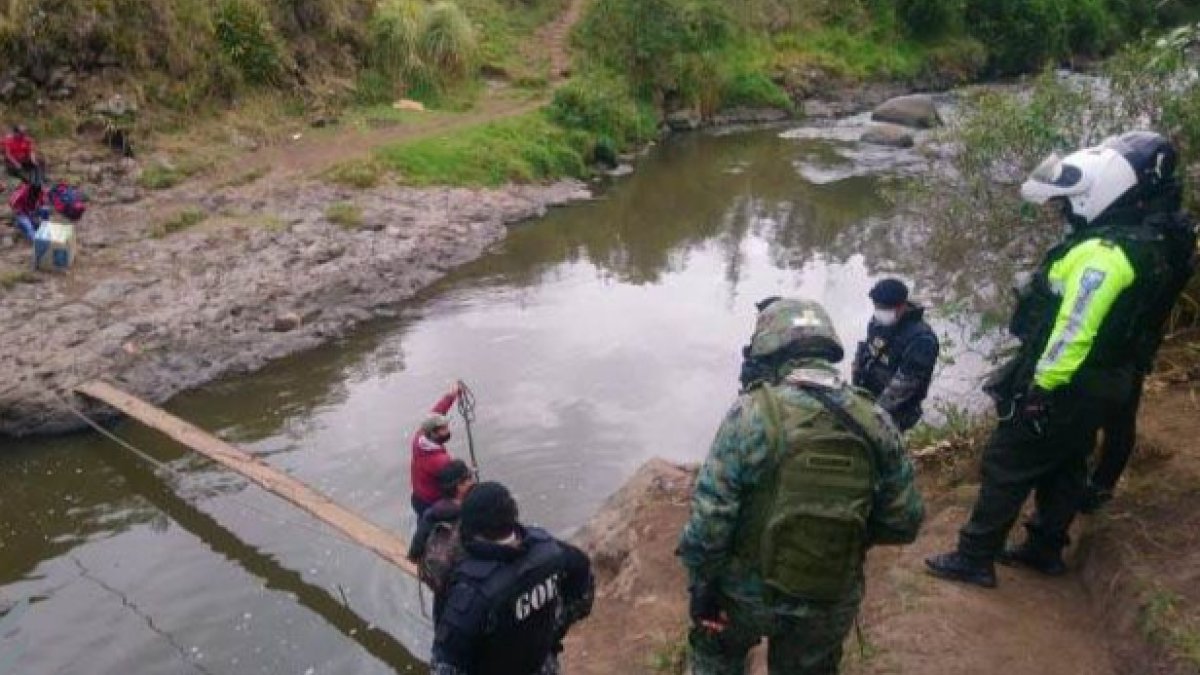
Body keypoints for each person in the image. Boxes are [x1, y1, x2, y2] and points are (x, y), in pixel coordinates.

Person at [926, 131, 1197, 588]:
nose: (1064, 211)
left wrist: (1041, 387)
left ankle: (974, 556)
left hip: (1073, 378)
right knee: (1068, 458)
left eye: (1069, 203)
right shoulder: (1159, 238)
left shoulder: (1103, 254)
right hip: (1114, 376)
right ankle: (1044, 548)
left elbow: (1075, 328)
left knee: (1007, 460)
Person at [680, 298, 924, 675]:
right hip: (828, 594)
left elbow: (708, 526)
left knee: (715, 656)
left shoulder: (750, 415)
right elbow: (904, 522)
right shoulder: (875, 419)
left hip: (744, 595)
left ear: (768, 350)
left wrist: (703, 587)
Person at [431, 482, 594, 675]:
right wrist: (553, 631)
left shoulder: (472, 593)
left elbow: (445, 664)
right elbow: (583, 589)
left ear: (471, 528)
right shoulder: (548, 550)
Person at [851, 278, 940, 431]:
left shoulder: (921, 340)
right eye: (876, 306)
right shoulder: (879, 322)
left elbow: (904, 386)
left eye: (883, 308)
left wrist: (873, 415)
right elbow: (869, 351)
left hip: (896, 411)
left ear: (900, 307)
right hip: (868, 397)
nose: (878, 311)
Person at [408, 460, 476, 618]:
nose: (473, 482)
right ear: (459, 486)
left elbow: (417, 546)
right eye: (469, 478)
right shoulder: (471, 513)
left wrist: (413, 556)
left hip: (439, 580)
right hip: (464, 584)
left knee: (441, 610)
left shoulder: (432, 513)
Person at [411, 382, 463, 517]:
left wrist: (451, 395)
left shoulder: (419, 438)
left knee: (423, 528)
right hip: (432, 504)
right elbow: (455, 486)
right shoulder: (441, 461)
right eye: (443, 429)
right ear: (433, 433)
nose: (448, 430)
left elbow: (436, 413)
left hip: (418, 497)